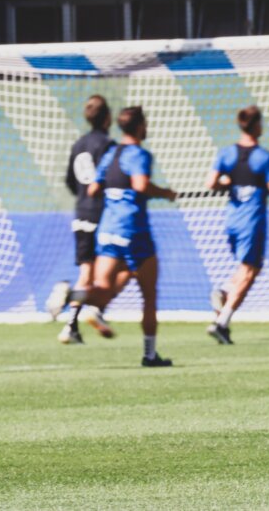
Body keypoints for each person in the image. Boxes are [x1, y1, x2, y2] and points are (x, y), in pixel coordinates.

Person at [82, 106, 178, 367]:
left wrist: (114, 197)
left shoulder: (111, 154)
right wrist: (166, 193)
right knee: (149, 294)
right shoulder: (139, 154)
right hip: (134, 230)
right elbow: (140, 185)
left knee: (102, 290)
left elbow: (92, 190)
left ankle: (71, 295)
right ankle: (149, 355)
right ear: (139, 126)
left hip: (108, 229)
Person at [205, 105, 269, 345]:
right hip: (251, 221)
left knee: (246, 268)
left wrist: (228, 183)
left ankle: (224, 292)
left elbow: (210, 184)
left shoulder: (226, 154)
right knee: (249, 272)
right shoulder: (264, 157)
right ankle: (222, 321)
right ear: (257, 125)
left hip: (232, 221)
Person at [46, 95, 130, 344]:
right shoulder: (108, 145)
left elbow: (70, 181)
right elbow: (112, 178)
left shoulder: (78, 144)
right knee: (128, 266)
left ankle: (71, 326)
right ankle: (96, 308)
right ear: (107, 118)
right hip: (102, 213)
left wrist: (83, 198)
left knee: (86, 271)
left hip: (80, 212)